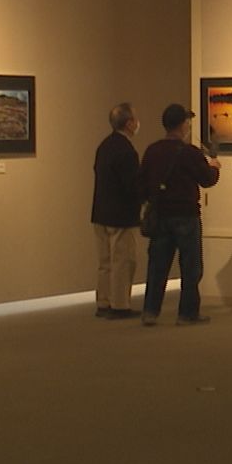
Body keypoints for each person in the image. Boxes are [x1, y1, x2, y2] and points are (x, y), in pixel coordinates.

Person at [138, 103, 220, 328]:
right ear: (182, 125)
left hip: (160, 215)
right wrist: (214, 167)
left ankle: (150, 311)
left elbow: (142, 184)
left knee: (157, 267)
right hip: (186, 215)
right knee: (191, 267)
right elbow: (207, 179)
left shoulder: (152, 151)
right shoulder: (189, 152)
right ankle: (187, 313)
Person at [89, 103, 143, 320]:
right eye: (135, 119)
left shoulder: (104, 146)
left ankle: (103, 301)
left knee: (105, 262)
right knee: (123, 261)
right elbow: (132, 185)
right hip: (121, 215)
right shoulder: (127, 151)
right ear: (129, 123)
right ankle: (120, 304)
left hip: (101, 212)